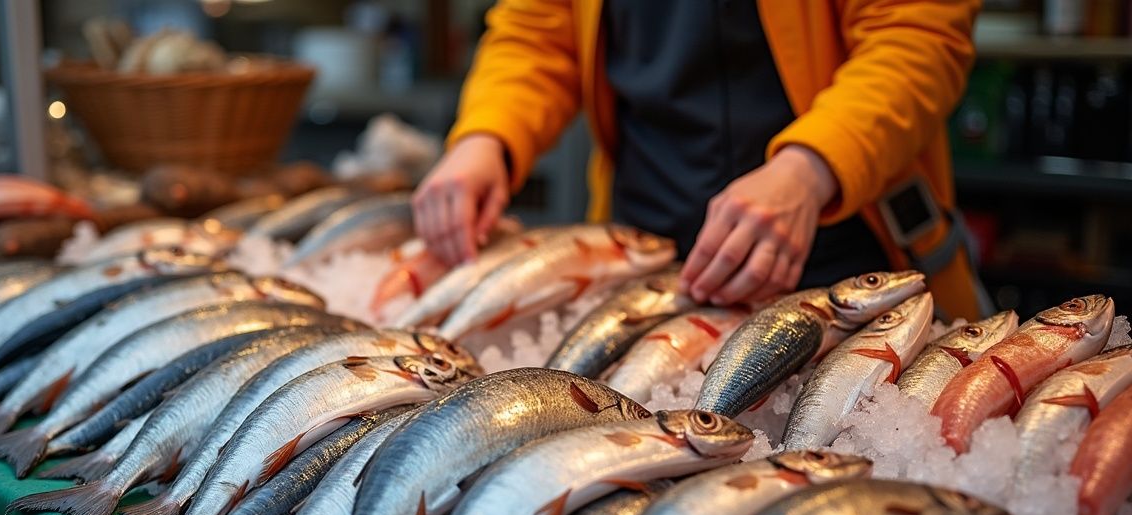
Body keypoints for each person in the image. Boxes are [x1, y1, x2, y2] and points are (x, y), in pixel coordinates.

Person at [412, 0, 989, 321]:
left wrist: (809, 168)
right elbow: (538, 29)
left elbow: (916, 34)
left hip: (850, 262)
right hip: (642, 261)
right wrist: (486, 137)